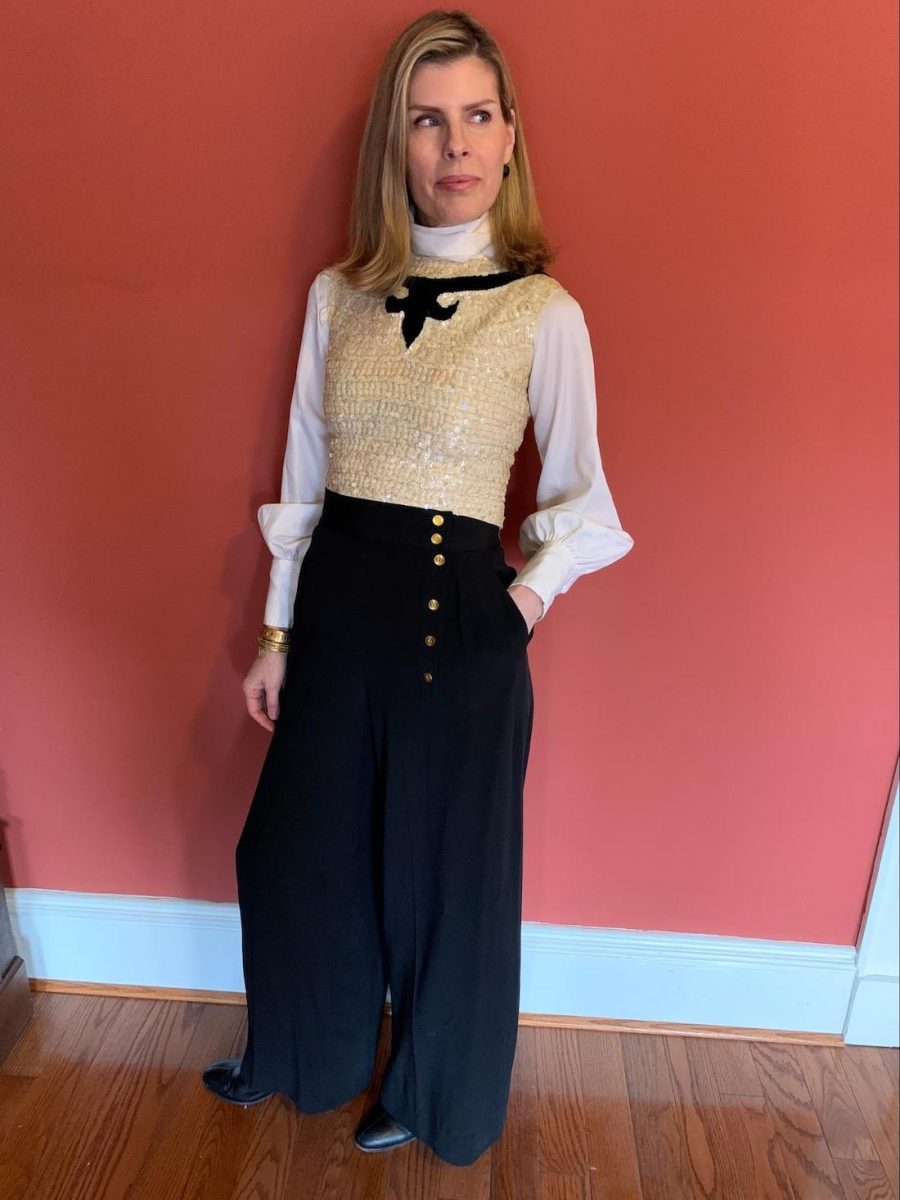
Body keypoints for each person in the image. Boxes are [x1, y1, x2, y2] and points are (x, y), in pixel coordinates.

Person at [202, 9, 634, 1169]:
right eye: (427, 120)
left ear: (510, 136)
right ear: (395, 144)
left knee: (445, 885)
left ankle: (436, 1094)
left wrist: (520, 606)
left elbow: (586, 499)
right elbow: (303, 478)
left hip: (460, 623)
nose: (456, 145)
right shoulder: (336, 296)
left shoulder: (542, 311)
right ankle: (307, 1051)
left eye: (477, 116)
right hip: (339, 607)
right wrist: (276, 636)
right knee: (294, 853)